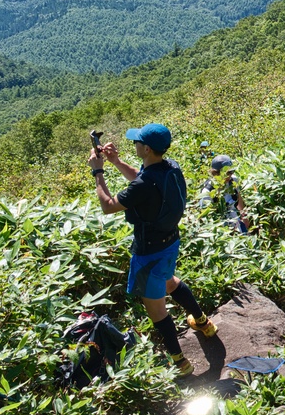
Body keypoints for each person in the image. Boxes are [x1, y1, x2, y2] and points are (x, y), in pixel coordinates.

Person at [88, 123, 217, 377]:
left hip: (148, 252)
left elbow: (108, 206)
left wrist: (98, 171)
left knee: (157, 310)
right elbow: (143, 178)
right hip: (170, 242)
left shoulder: (144, 184)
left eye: (136, 142)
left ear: (146, 149)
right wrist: (116, 161)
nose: (133, 144)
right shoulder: (170, 167)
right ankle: (204, 323)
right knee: (169, 281)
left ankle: (180, 363)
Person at [197, 154, 250, 234]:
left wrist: (245, 218)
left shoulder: (233, 181)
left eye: (231, 172)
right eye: (225, 173)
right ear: (216, 173)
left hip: (236, 222)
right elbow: (205, 217)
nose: (229, 176)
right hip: (220, 229)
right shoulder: (207, 192)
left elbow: (239, 200)